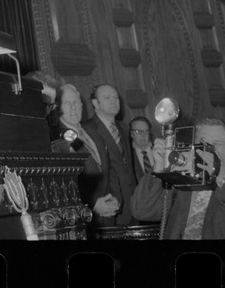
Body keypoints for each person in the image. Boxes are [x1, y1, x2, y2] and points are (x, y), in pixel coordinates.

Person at [130, 118, 225, 239]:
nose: (207, 149)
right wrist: (158, 169)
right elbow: (141, 211)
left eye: (216, 144)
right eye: (202, 142)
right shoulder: (182, 177)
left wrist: (223, 180)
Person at [49, 84, 121, 222]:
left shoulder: (94, 132)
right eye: (67, 103)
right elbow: (65, 182)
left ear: (82, 105)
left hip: (109, 214)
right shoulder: (56, 140)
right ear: (58, 109)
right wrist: (93, 204)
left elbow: (109, 169)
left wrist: (115, 197)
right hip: (85, 218)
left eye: (76, 102)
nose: (73, 107)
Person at [82, 82, 137, 227]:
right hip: (109, 204)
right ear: (95, 103)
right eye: (107, 98)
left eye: (116, 98)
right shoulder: (86, 129)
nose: (114, 102)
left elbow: (128, 166)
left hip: (133, 202)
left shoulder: (123, 127)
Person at [129, 115, 156, 182]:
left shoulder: (159, 151)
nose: (143, 135)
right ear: (131, 134)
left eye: (146, 131)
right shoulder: (129, 157)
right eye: (138, 131)